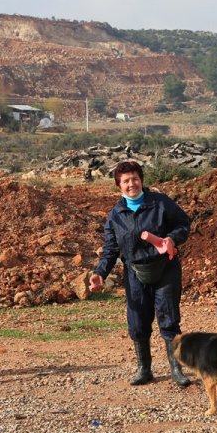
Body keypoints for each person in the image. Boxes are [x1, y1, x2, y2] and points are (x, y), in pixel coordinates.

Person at [89, 160, 191, 386]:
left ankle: (176, 369)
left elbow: (183, 224)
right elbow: (110, 249)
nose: (131, 184)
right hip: (135, 273)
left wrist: (172, 238)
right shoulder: (116, 216)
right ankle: (144, 369)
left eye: (135, 178)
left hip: (165, 269)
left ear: (142, 180)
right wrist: (100, 273)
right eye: (125, 181)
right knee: (137, 322)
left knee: (169, 319)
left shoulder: (161, 203)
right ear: (119, 186)